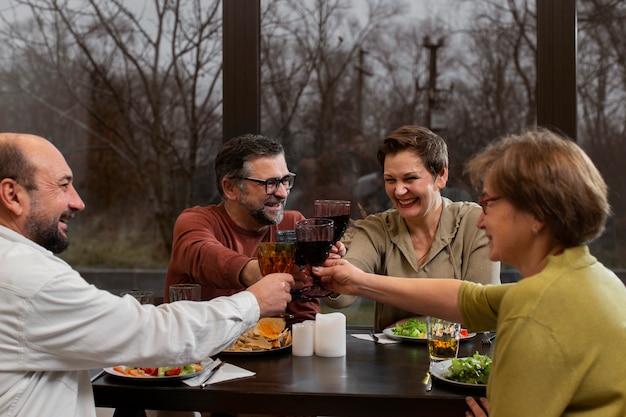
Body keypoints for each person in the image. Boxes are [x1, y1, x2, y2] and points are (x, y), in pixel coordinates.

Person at [315, 129, 626, 417]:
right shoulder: (598, 279)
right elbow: (471, 299)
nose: (480, 220)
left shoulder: (533, 313)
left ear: (537, 214)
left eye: (489, 203)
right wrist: (354, 280)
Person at [0, 133, 295, 417]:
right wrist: (254, 302)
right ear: (12, 195)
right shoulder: (28, 282)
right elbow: (153, 334)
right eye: (63, 185)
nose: (78, 202)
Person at [325, 125, 500, 331]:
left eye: (410, 178)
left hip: (462, 358)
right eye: (390, 180)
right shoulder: (378, 228)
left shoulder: (474, 222)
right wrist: (332, 273)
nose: (399, 191)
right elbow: (343, 296)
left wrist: (362, 282)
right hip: (390, 361)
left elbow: (483, 310)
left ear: (441, 175)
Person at [165, 134, 345, 322]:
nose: (283, 193)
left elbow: (304, 316)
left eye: (285, 180)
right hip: (202, 349)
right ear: (230, 188)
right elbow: (203, 254)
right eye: (270, 183)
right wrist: (259, 272)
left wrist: (322, 273)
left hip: (275, 348)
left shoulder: (294, 224)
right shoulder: (197, 221)